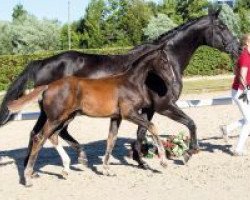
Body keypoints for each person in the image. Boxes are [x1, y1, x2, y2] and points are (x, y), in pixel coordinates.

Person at [220, 33, 250, 156]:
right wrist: (246, 91)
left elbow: (235, 71)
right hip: (241, 91)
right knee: (249, 121)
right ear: (247, 42)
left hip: (242, 90)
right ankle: (238, 149)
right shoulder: (245, 57)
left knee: (249, 118)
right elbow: (242, 76)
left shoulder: (245, 55)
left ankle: (227, 129)